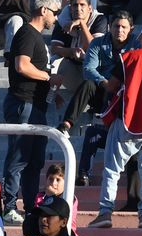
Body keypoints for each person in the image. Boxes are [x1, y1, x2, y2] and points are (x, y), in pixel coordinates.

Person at [87, 22, 142, 230]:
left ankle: (105, 213)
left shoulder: (128, 57)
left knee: (112, 170)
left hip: (128, 121)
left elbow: (112, 86)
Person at [0, 0, 61, 223]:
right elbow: (22, 66)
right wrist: (47, 77)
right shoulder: (26, 32)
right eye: (54, 13)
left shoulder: (34, 36)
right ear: (43, 10)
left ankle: (31, 204)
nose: (55, 18)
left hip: (36, 105)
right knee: (19, 158)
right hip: (23, 103)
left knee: (35, 160)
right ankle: (9, 205)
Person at [56, 11, 135, 142]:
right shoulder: (98, 43)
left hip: (125, 93)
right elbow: (88, 69)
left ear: (131, 29)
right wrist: (103, 82)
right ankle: (66, 125)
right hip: (103, 89)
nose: (119, 30)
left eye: (124, 27)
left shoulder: (136, 44)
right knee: (88, 84)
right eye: (116, 26)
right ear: (110, 26)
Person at [49, 0, 105, 98]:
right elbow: (55, 48)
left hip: (93, 72)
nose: (78, 8)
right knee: (55, 60)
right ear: (70, 9)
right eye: (75, 5)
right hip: (73, 70)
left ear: (90, 8)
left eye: (82, 5)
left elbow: (94, 49)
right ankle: (51, 96)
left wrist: (82, 24)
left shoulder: (99, 19)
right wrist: (71, 51)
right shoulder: (63, 21)